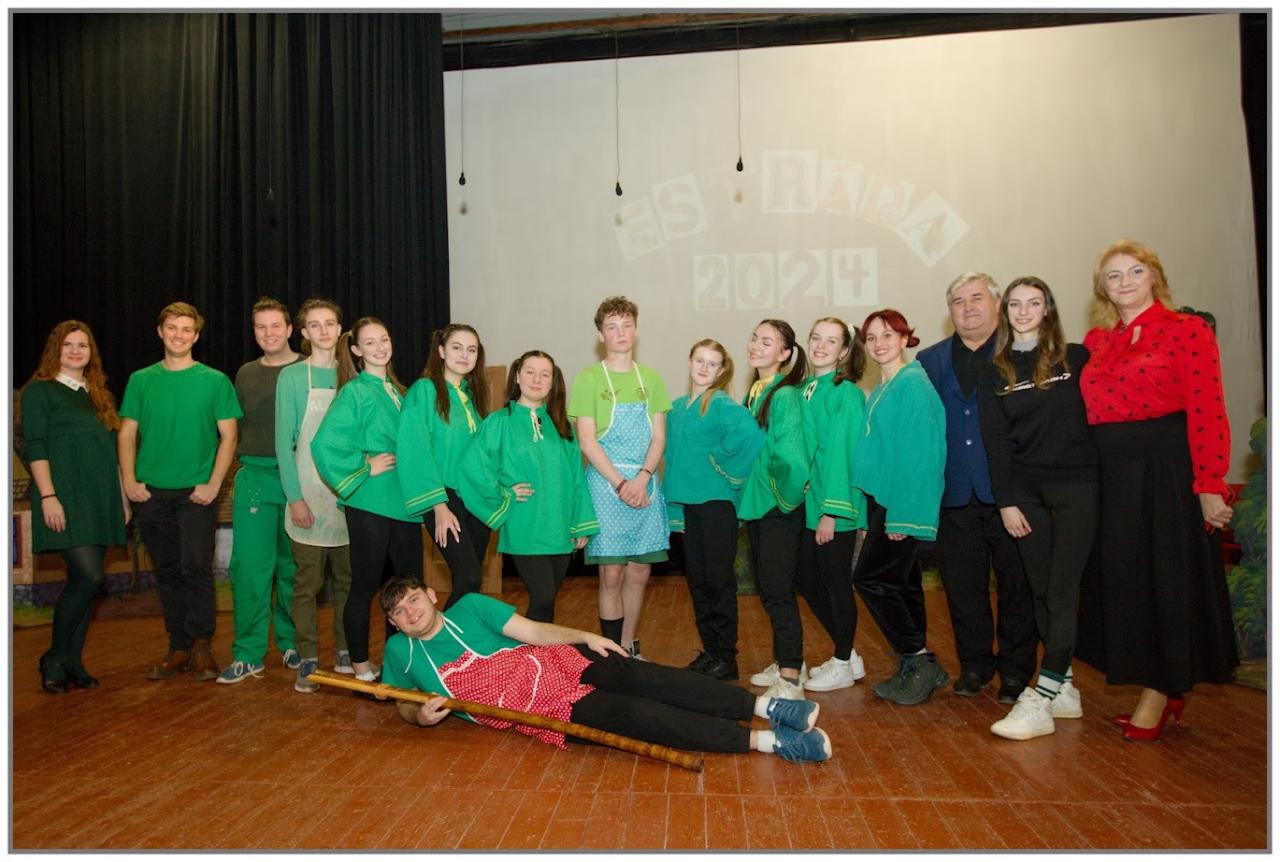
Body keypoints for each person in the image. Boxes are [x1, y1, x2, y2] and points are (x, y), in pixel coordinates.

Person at [378, 574, 833, 763]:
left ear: (431, 595)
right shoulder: (400, 653)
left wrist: (585, 636)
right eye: (399, 611)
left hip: (555, 661)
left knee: (644, 676)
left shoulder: (471, 607)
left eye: (414, 599)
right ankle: (771, 742)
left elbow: (533, 632)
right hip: (539, 709)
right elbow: (402, 703)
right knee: (638, 715)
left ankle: (767, 707)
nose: (411, 612)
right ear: (394, 623)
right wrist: (419, 717)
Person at [1074, 239, 1237, 741]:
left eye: (1135, 271)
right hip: (1111, 475)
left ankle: (1162, 689)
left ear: (1155, 277)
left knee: (1167, 578)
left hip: (1166, 471)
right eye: (1113, 275)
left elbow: (1208, 407)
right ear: (1102, 288)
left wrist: (1210, 484)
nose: (1124, 282)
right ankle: (1157, 681)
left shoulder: (1187, 330)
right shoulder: (1098, 341)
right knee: (1129, 582)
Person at [978, 277, 1097, 739]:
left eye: (1033, 303)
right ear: (1005, 311)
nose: (1024, 311)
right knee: (1042, 590)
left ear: (1048, 309)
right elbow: (995, 444)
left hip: (1078, 486)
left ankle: (1042, 696)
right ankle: (1064, 688)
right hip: (1024, 491)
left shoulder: (1077, 358)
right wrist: (1006, 502)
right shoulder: (995, 371)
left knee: (1063, 590)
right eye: (1015, 304)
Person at [917, 273, 1037, 704]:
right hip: (953, 496)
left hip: (1011, 496)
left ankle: (1016, 671)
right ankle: (975, 665)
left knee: (1017, 588)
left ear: (997, 304)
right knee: (962, 588)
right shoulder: (928, 361)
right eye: (957, 301)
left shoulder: (1021, 353)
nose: (967, 307)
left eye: (976, 298)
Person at [119, 302, 241, 682]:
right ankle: (179, 646)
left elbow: (229, 436)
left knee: (196, 567)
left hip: (196, 494)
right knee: (168, 571)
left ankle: (202, 644)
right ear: (160, 332)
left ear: (196, 336)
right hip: (150, 494)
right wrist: (129, 481)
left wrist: (214, 483)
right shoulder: (141, 380)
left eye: (187, 329)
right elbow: (126, 434)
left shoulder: (215, 381)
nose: (179, 335)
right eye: (172, 328)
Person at [311, 317, 423, 686]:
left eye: (384, 339)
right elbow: (323, 443)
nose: (379, 347)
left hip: (405, 501)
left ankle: (399, 664)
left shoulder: (401, 391)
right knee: (365, 584)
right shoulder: (355, 391)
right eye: (370, 342)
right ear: (357, 350)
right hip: (371, 500)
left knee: (407, 587)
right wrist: (363, 467)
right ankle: (359, 666)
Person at [19, 321, 129, 693]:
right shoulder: (39, 391)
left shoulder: (99, 395)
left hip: (101, 498)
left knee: (85, 582)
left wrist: (122, 499)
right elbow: (36, 446)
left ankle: (72, 662)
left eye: (83, 345)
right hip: (64, 496)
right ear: (56, 349)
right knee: (90, 576)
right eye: (68, 345)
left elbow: (112, 453)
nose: (76, 351)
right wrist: (49, 496)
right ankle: (53, 658)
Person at [851, 310, 948, 705]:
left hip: (901, 504)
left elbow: (920, 455)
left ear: (906, 338)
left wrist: (903, 516)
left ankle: (919, 658)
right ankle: (917, 665)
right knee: (902, 582)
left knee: (870, 578)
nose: (879, 343)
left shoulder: (913, 385)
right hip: (884, 501)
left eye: (888, 335)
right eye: (872, 337)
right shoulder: (884, 387)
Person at [457, 350, 597, 622]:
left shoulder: (563, 426)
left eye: (545, 374)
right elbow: (471, 468)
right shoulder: (499, 422)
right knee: (543, 597)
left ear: (553, 382)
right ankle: (530, 647)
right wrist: (504, 494)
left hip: (560, 527)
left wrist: (580, 523)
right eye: (530, 372)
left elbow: (576, 479)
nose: (537, 379)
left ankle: (537, 649)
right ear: (518, 377)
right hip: (525, 524)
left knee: (547, 600)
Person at [568, 297, 671, 660]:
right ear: (601, 335)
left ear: (636, 330)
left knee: (639, 572)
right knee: (611, 574)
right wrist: (621, 483)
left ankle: (628, 647)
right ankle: (611, 653)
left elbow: (659, 437)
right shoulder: (588, 379)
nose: (621, 333)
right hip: (606, 484)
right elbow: (587, 441)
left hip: (644, 484)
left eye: (627, 325)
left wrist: (642, 477)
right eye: (612, 327)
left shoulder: (651, 379)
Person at [664, 339, 765, 681]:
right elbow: (672, 460)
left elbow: (753, 437)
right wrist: (675, 511)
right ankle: (710, 651)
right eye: (699, 360)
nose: (704, 368)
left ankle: (726, 657)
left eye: (712, 363)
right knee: (698, 581)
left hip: (716, 505)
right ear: (689, 362)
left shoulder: (721, 404)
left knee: (719, 582)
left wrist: (720, 463)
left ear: (721, 371)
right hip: (689, 508)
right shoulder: (676, 408)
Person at [218, 298, 303, 684]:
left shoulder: (308, 369)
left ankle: (292, 644)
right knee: (250, 568)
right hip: (256, 478)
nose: (269, 333)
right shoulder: (246, 374)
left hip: (300, 481)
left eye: (275, 325)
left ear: (290, 329)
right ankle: (248, 653)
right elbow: (234, 431)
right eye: (260, 327)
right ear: (254, 332)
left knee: (294, 569)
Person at [278, 299, 356, 693]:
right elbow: (283, 443)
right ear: (304, 333)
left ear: (340, 329)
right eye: (314, 324)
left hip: (350, 497)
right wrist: (295, 498)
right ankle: (308, 657)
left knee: (348, 582)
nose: (323, 330)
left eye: (330, 323)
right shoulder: (293, 377)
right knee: (307, 585)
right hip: (308, 495)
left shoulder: (353, 375)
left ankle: (346, 650)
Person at [738, 320, 814, 700]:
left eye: (767, 342)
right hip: (757, 507)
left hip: (776, 508)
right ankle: (785, 659)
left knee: (779, 590)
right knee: (768, 588)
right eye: (754, 338)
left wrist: (782, 499)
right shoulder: (755, 392)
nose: (756, 345)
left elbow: (793, 459)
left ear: (784, 354)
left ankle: (791, 675)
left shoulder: (784, 395)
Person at [796, 318, 868, 693]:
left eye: (831, 341)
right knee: (807, 579)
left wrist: (832, 511)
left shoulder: (846, 393)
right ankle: (848, 653)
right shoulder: (807, 388)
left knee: (837, 583)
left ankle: (841, 662)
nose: (821, 346)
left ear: (844, 351)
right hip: (810, 502)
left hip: (835, 504)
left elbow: (842, 454)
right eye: (816, 338)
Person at [397, 324, 491, 609]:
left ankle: (461, 638)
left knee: (471, 585)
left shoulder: (470, 397)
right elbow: (416, 450)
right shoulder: (424, 391)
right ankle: (440, 636)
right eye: (456, 347)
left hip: (474, 500)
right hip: (443, 496)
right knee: (469, 577)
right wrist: (439, 505)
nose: (464, 355)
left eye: (471, 350)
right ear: (440, 351)